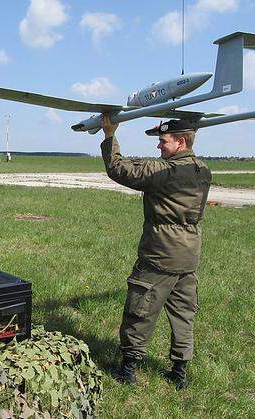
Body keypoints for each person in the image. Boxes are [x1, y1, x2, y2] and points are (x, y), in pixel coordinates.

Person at [100, 116, 211, 390]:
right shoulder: (202, 170)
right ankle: (179, 370)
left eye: (163, 141)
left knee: (141, 307)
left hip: (161, 253)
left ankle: (128, 368)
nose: (159, 147)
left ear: (181, 141)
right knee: (184, 313)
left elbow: (118, 168)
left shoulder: (165, 172)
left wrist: (109, 134)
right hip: (189, 253)